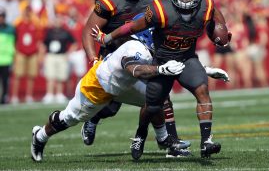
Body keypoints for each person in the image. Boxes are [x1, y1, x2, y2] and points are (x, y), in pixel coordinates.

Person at [31, 28, 229, 162]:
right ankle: (40, 136)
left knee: (157, 97)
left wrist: (206, 70)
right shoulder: (136, 49)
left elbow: (175, 65)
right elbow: (135, 70)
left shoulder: (151, 49)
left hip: (127, 86)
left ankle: (164, 139)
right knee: (69, 118)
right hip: (100, 87)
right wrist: (161, 70)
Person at [92, 0, 232, 159]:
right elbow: (132, 26)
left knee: (202, 90)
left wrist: (221, 30)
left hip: (187, 58)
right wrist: (107, 37)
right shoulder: (160, 9)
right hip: (162, 61)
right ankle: (140, 134)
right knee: (153, 105)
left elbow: (215, 13)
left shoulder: (205, 4)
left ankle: (206, 141)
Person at [80, 0, 190, 153]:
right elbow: (89, 30)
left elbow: (163, 17)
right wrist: (93, 60)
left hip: (145, 50)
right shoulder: (108, 0)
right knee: (111, 107)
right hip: (115, 54)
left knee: (160, 94)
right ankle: (94, 117)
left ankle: (169, 141)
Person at [0, 7, 15, 104]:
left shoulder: (11, 29)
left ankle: (4, 97)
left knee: (5, 81)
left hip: (6, 59)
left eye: (2, 16)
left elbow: (14, 43)